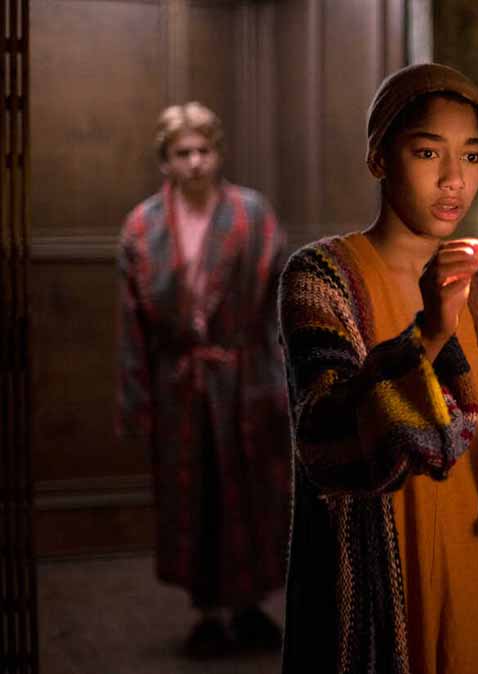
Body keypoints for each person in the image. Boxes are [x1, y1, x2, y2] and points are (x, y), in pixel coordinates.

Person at [278, 63, 478, 674]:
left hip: (471, 567)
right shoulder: (322, 278)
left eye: (471, 157)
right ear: (378, 158)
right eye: (427, 153)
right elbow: (324, 441)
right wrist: (431, 332)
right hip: (373, 578)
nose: (453, 180)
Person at [117, 102, 290, 657]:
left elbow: (279, 307)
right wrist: (138, 398)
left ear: (218, 154)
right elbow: (132, 325)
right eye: (181, 152)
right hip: (181, 384)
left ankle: (250, 606)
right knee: (194, 497)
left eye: (203, 150)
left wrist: (284, 381)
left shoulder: (252, 215)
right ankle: (209, 612)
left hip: (245, 376)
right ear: (165, 161)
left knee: (253, 491)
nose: (194, 161)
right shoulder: (143, 226)